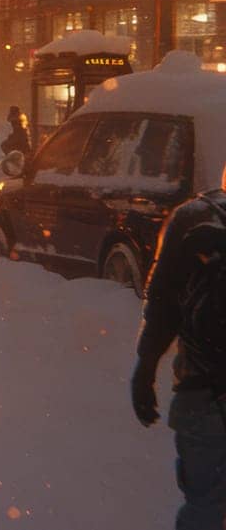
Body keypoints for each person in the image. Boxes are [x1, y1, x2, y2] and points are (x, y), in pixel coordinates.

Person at [132, 173, 226, 530]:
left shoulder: (194, 217)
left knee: (204, 503)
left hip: (203, 391)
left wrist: (145, 367)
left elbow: (162, 304)